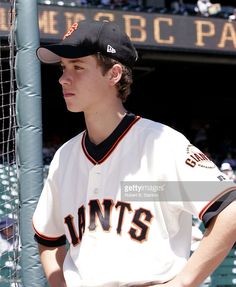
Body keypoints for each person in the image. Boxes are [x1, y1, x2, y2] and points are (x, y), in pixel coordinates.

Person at [32, 20, 236, 287]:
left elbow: (228, 210)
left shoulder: (161, 145)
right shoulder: (65, 157)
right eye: (63, 68)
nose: (63, 78)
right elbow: (49, 239)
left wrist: (183, 283)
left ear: (114, 74)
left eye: (78, 67)